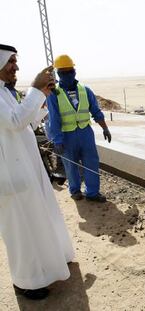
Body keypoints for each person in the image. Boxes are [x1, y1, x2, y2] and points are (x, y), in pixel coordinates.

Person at [0, 44, 74, 300]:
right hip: (10, 176)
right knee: (20, 231)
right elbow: (14, 121)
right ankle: (25, 281)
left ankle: (51, 265)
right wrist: (34, 87)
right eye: (10, 61)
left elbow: (27, 121)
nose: (15, 66)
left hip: (27, 170)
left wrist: (42, 94)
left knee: (40, 220)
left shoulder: (5, 93)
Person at [46, 55, 111, 202]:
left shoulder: (85, 90)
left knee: (91, 163)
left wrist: (105, 128)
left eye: (70, 71)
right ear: (58, 74)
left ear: (74, 71)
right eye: (63, 72)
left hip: (85, 133)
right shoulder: (53, 94)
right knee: (71, 165)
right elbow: (54, 119)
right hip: (66, 136)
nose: (67, 75)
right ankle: (75, 190)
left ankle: (92, 193)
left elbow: (96, 111)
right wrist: (57, 140)